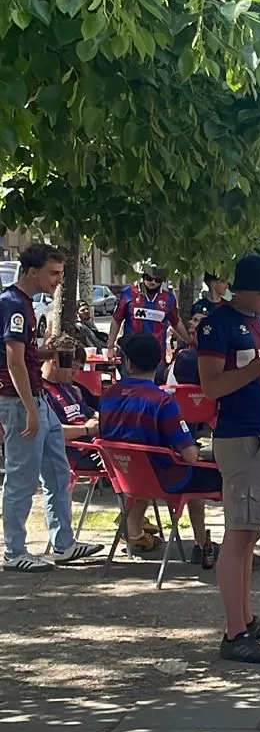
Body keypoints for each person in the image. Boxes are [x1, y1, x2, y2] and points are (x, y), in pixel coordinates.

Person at [197, 252, 260, 665]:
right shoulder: (219, 324)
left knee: (252, 532)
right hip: (240, 434)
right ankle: (234, 632)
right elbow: (212, 386)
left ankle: (245, 618)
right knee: (238, 534)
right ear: (244, 289)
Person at [0, 242, 103, 571]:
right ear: (32, 272)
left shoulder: (27, 304)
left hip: (37, 398)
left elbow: (26, 356)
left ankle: (63, 543)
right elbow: (14, 362)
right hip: (20, 401)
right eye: (53, 273)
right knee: (21, 478)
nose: (59, 280)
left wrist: (50, 351)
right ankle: (15, 551)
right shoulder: (13, 304)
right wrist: (30, 407)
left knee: (58, 473)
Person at [100, 333, 218, 563]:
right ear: (159, 363)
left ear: (128, 362)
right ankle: (202, 544)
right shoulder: (162, 401)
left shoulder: (107, 396)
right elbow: (189, 454)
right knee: (207, 472)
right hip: (165, 478)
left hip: (125, 477)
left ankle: (134, 532)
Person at [41, 337, 101, 474]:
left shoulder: (70, 389)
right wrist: (85, 429)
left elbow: (90, 413)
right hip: (74, 453)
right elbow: (52, 432)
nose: (75, 373)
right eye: (72, 366)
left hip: (94, 445)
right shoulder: (41, 393)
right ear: (55, 362)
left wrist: (98, 419)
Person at [106, 263, 186, 361]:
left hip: (157, 355)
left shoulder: (169, 299)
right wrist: (110, 347)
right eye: (149, 278)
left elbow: (176, 323)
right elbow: (116, 320)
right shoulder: (128, 294)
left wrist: (190, 340)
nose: (153, 282)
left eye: (157, 280)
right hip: (131, 353)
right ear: (142, 277)